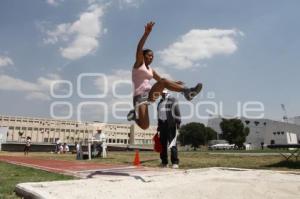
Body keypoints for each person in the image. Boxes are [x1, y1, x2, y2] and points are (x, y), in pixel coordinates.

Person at [127, 21, 202, 130]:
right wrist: (146, 34)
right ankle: (134, 117)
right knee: (145, 126)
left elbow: (161, 81)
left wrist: (175, 83)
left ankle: (188, 92)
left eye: (153, 56)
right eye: (149, 55)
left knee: (163, 81)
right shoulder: (139, 64)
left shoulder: (151, 70)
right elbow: (139, 48)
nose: (151, 58)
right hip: (139, 97)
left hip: (149, 95)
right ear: (143, 56)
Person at [157, 90, 181, 168]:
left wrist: (178, 122)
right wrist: (159, 126)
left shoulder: (173, 100)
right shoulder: (160, 102)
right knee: (162, 144)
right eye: (162, 93)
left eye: (164, 93)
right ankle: (164, 162)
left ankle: (175, 162)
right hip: (162, 124)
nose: (162, 94)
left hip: (170, 124)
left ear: (167, 93)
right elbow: (159, 115)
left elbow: (177, 111)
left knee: (172, 144)